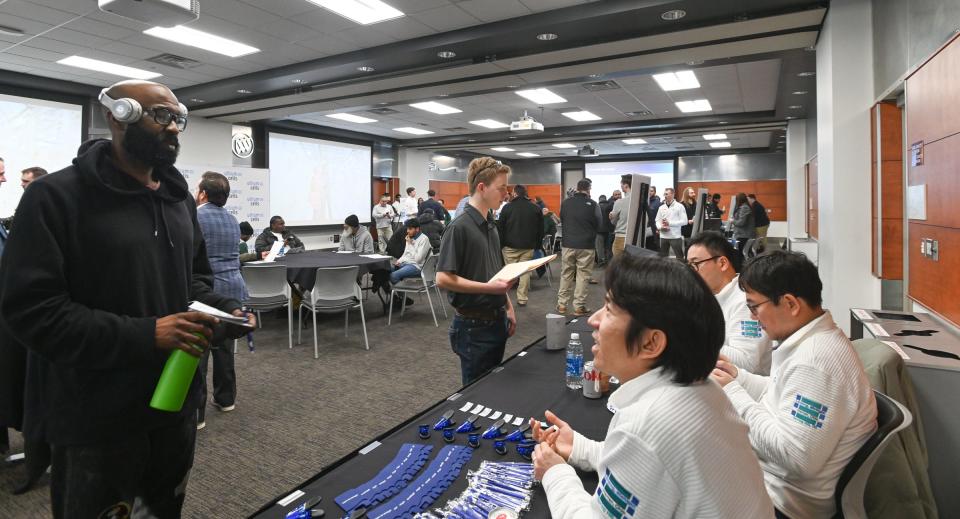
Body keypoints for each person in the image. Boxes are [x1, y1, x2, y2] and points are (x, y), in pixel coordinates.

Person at [0, 79, 253, 518]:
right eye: (161, 116)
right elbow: (32, 312)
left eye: (178, 118)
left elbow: (191, 280)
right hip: (95, 418)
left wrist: (224, 308)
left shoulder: (178, 202)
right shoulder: (55, 197)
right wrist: (147, 334)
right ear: (119, 116)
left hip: (174, 405)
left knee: (164, 509)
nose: (173, 127)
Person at [531, 254, 773, 519]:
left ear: (651, 343)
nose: (593, 320)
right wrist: (579, 447)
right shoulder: (705, 388)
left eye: (609, 309)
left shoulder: (646, 424)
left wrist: (555, 473)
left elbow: (645, 449)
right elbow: (653, 468)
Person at [711, 251, 877, 518]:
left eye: (754, 307)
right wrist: (737, 377)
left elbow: (795, 456)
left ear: (790, 303)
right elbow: (780, 393)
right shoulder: (810, 342)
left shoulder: (815, 361)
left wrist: (733, 392)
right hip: (772, 482)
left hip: (783, 503)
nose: (753, 317)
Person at [437, 157, 517, 386]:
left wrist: (508, 306)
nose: (506, 193)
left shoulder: (491, 225)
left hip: (496, 320)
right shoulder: (459, 227)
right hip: (473, 327)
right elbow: (442, 278)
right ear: (482, 188)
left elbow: (496, 272)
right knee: (475, 395)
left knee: (493, 390)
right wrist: (489, 289)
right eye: (501, 188)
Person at [195, 171, 246, 428]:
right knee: (224, 347)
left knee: (199, 351)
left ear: (202, 193)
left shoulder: (194, 216)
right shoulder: (233, 220)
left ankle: (197, 414)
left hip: (207, 292)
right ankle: (226, 399)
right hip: (233, 289)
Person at [686, 231, 772, 375]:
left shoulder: (744, 301)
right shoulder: (710, 295)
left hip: (743, 388)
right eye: (689, 266)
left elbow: (747, 362)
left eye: (696, 264)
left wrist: (692, 339)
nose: (691, 272)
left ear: (722, 263)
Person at [557, 179, 601, 316]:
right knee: (583, 276)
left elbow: (562, 220)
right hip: (586, 245)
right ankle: (578, 306)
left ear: (577, 188)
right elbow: (599, 224)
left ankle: (561, 305)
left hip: (568, 244)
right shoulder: (594, 204)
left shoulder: (565, 203)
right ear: (588, 189)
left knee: (566, 274)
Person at [497, 184, 544, 307]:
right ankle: (522, 298)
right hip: (528, 246)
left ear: (515, 193)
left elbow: (500, 228)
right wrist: (538, 246)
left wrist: (500, 245)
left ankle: (504, 299)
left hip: (510, 246)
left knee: (509, 273)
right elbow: (540, 230)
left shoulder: (507, 208)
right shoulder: (536, 208)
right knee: (525, 273)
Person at [390, 218, 432, 285]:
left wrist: (411, 244)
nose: (407, 231)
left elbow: (418, 259)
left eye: (410, 229)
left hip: (417, 267)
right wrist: (399, 261)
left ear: (417, 229)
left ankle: (400, 295)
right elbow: (406, 253)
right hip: (407, 263)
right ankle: (394, 293)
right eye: (407, 229)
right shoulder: (410, 237)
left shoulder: (424, 239)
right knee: (385, 272)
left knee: (393, 276)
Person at [654, 188, 686, 259]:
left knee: (679, 257)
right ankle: (664, 270)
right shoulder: (661, 207)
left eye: (666, 194)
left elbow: (684, 221)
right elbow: (657, 220)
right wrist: (660, 227)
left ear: (672, 194)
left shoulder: (680, 206)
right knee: (663, 258)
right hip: (663, 236)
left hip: (675, 236)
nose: (664, 196)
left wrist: (670, 223)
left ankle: (681, 270)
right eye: (664, 194)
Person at [609, 175, 632, 257]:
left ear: (626, 185)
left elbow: (613, 222)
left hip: (621, 238)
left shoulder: (619, 202)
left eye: (621, 184)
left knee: (620, 267)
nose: (621, 186)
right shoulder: (641, 200)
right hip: (635, 239)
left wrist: (611, 217)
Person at [646, 185, 662, 250]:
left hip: (654, 229)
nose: (650, 192)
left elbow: (661, 217)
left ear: (655, 192)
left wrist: (658, 228)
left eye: (651, 191)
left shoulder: (658, 203)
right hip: (645, 229)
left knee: (654, 248)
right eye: (649, 191)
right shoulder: (644, 202)